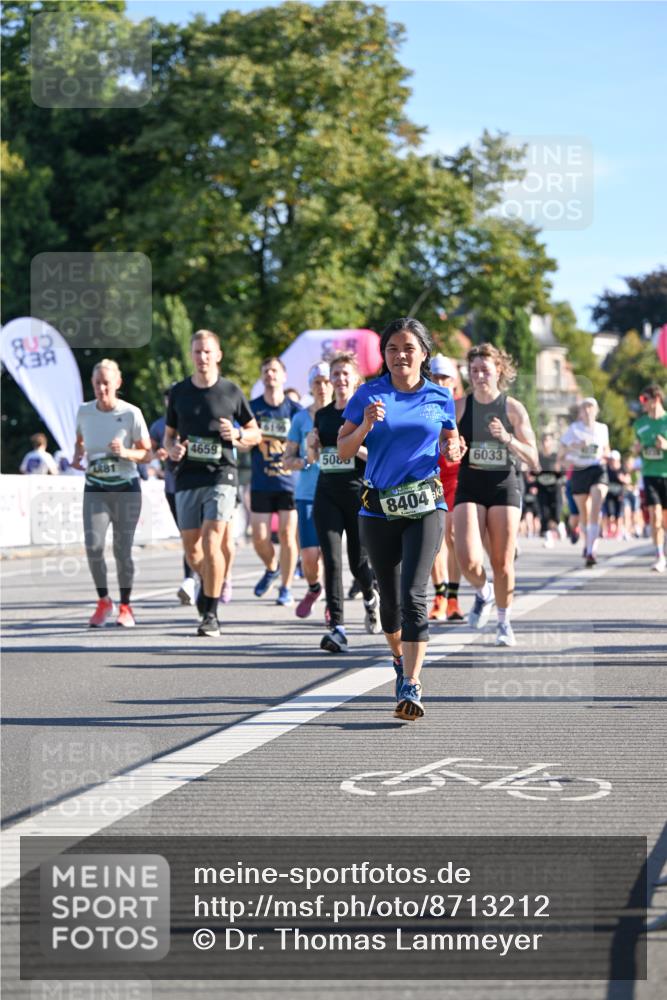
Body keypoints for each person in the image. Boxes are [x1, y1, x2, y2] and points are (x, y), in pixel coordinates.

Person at [339, 318, 460, 720]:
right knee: (390, 605)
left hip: (425, 503)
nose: (400, 355)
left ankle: (411, 682)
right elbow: (342, 450)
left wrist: (454, 446)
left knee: (413, 596)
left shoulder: (440, 396)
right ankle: (397, 658)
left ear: (423, 353)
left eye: (408, 348)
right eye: (392, 348)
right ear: (384, 355)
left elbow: (449, 440)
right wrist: (367, 426)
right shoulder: (368, 394)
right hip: (377, 509)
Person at [165, 330, 260, 636]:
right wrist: (172, 449)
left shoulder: (231, 391)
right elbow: (168, 436)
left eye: (207, 352)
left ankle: (211, 612)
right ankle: (208, 592)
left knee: (212, 539)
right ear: (191, 356)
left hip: (222, 474)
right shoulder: (179, 392)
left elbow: (255, 433)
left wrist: (238, 436)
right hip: (187, 476)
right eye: (197, 352)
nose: (202, 357)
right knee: (192, 551)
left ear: (218, 355)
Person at [453, 343, 539, 647]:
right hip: (470, 485)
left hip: (504, 485)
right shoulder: (460, 407)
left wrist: (508, 438)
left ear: (498, 370)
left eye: (484, 370)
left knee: (502, 563)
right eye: (473, 370)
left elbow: (534, 459)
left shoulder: (512, 408)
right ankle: (483, 592)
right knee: (467, 561)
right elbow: (444, 446)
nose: (478, 376)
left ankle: (504, 622)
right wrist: (453, 449)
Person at [71, 359, 151, 628]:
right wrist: (77, 456)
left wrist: (126, 452)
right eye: (97, 384)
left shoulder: (131, 414)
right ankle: (104, 601)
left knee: (121, 550)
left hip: (126, 489)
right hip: (95, 487)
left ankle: (126, 606)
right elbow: (80, 440)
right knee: (93, 547)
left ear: (117, 383)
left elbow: (147, 453)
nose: (102, 389)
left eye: (107, 383)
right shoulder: (84, 412)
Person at [311, 353, 380, 652]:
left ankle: (370, 596)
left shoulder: (365, 414)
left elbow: (376, 455)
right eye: (335, 374)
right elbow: (315, 458)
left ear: (356, 380)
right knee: (331, 560)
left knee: (357, 562)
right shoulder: (322, 415)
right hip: (326, 492)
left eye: (344, 374)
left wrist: (352, 448)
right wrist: (312, 447)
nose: (339, 380)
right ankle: (336, 626)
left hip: (357, 493)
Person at [249, 357, 302, 607]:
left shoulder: (294, 410)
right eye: (266, 370)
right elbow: (243, 438)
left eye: (274, 370)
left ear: (284, 376)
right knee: (259, 537)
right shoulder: (252, 408)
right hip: (261, 481)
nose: (270, 374)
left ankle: (286, 587)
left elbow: (306, 438)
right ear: (262, 377)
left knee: (287, 535)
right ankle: (272, 567)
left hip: (288, 482)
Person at [284, 362, 333, 618]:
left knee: (329, 553)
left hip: (336, 493)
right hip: (307, 493)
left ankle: (331, 605)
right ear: (311, 387)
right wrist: (305, 461)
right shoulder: (301, 418)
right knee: (309, 556)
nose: (323, 387)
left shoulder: (344, 414)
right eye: (317, 383)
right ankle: (314, 588)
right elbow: (286, 459)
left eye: (327, 381)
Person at [149, 387, 196, 605]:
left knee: (204, 536)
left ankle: (205, 579)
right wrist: (157, 454)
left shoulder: (195, 419)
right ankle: (190, 580)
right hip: (173, 487)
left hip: (199, 484)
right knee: (188, 537)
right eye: (169, 401)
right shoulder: (159, 426)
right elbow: (147, 451)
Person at [427, 355, 464, 622]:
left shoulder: (463, 408)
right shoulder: (425, 404)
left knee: (452, 538)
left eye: (446, 378)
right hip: (431, 476)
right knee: (434, 542)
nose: (441, 382)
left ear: (454, 382)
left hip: (458, 478)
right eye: (436, 377)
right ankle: (439, 595)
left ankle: (453, 597)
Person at [559, 397, 610, 567]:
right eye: (584, 407)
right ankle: (587, 543)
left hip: (597, 470)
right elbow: (561, 454)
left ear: (596, 410)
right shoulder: (574, 429)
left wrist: (608, 456)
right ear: (580, 412)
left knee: (596, 506)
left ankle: (591, 550)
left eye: (591, 407)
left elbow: (606, 449)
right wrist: (574, 446)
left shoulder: (603, 428)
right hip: (580, 471)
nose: (588, 410)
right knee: (584, 514)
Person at [633, 384, 667, 572]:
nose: (642, 404)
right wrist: (637, 449)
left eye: (645, 400)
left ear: (656, 399)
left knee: (665, 521)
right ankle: (659, 555)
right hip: (650, 474)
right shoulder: (639, 424)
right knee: (654, 517)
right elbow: (637, 445)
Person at [536, 432, 565, 547]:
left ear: (552, 443)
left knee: (556, 514)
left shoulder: (556, 457)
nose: (546, 443)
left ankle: (559, 525)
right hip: (542, 489)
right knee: (544, 514)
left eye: (548, 441)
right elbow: (531, 474)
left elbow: (563, 474)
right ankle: (549, 539)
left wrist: (558, 471)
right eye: (544, 441)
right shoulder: (538, 457)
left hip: (555, 489)